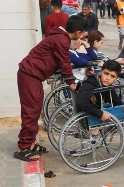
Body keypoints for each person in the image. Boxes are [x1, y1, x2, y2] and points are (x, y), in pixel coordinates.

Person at [14, 15, 87, 161]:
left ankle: (30, 142)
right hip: (30, 74)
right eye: (83, 34)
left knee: (35, 110)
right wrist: (71, 83)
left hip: (32, 74)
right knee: (31, 110)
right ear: (78, 33)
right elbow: (65, 62)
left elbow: (61, 61)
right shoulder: (61, 40)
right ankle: (24, 146)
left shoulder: (60, 37)